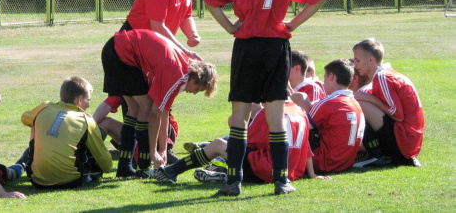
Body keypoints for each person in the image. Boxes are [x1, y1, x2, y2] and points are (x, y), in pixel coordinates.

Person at [203, 0, 329, 196]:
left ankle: (233, 181)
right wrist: (292, 25)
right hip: (277, 46)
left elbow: (210, 0)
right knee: (275, 114)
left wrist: (229, 27)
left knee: (239, 117)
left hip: (247, 44)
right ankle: (281, 182)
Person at [102, 29, 218, 177]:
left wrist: (163, 150)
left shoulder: (181, 69)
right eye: (198, 89)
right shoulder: (177, 76)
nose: (194, 93)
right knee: (145, 107)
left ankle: (125, 167)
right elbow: (155, 114)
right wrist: (154, 152)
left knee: (134, 108)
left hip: (115, 49)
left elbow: (164, 114)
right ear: (196, 79)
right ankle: (143, 166)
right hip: (121, 52)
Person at [148, 99, 329, 185]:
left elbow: (244, 142)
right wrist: (312, 174)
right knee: (229, 149)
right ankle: (222, 173)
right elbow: (307, 148)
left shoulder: (269, 114)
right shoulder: (300, 111)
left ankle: (171, 171)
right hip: (290, 172)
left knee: (220, 144)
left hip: (266, 170)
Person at [20, 76, 113, 189]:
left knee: (37, 143)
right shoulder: (86, 119)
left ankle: (17, 169)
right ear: (79, 100)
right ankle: (92, 172)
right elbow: (107, 166)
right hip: (71, 180)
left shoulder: (44, 108)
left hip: (37, 180)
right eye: (87, 100)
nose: (88, 105)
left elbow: (24, 118)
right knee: (86, 144)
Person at [352, 38, 424, 167]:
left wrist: (369, 98)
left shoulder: (382, 77)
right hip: (409, 141)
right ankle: (376, 153)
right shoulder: (386, 74)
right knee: (363, 99)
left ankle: (376, 155)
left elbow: (397, 115)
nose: (355, 66)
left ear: (371, 60)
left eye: (357, 60)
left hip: (405, 141)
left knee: (360, 102)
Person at [306, 59, 365, 173]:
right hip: (346, 163)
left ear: (332, 76)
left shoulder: (329, 102)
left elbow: (301, 127)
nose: (323, 83)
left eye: (325, 77)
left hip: (323, 161)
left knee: (300, 99)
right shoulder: (356, 104)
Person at [92, 95, 181, 164]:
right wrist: (87, 128)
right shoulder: (126, 84)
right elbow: (106, 106)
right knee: (106, 123)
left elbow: (162, 115)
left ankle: (164, 150)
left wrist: (163, 148)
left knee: (153, 116)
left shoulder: (149, 81)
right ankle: (88, 154)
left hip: (164, 132)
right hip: (136, 133)